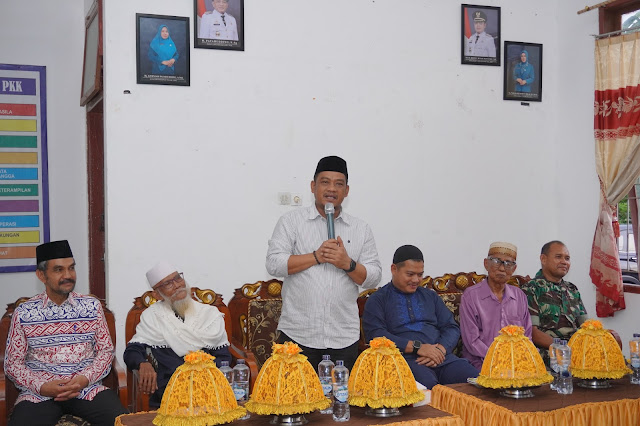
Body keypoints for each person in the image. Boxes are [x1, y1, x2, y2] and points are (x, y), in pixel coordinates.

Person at [266, 155, 382, 371]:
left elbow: (374, 277)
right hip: (298, 335)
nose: (331, 189)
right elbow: (274, 263)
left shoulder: (361, 229)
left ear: (346, 191)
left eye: (339, 184)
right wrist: (317, 256)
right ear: (313, 186)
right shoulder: (292, 222)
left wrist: (347, 264)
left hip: (343, 337)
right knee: (296, 393)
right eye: (325, 182)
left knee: (341, 393)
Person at [4, 240, 127, 426]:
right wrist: (42, 386)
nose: (68, 275)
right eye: (58, 270)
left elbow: (105, 352)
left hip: (86, 389)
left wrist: (84, 379)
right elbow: (13, 363)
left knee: (123, 422)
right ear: (41, 275)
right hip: (40, 395)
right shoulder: (24, 313)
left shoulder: (91, 307)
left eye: (71, 268)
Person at [362, 245, 479, 388]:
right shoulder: (378, 300)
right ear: (394, 269)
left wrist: (439, 350)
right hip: (405, 360)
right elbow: (376, 335)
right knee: (427, 387)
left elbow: (451, 327)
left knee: (475, 380)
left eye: (420, 275)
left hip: (442, 358)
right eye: (410, 274)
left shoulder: (430, 296)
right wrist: (418, 348)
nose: (416, 280)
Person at [123, 261, 231, 408]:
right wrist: (142, 363)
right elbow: (132, 351)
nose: (177, 285)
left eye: (178, 278)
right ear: (157, 295)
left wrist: (203, 377)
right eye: (168, 283)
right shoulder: (152, 316)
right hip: (170, 390)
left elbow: (224, 357)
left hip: (207, 387)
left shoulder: (209, 315)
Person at [459, 242, 532, 370]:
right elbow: (472, 341)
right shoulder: (470, 296)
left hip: (515, 363)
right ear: (486, 264)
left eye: (508, 264)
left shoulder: (519, 296)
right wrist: (499, 358)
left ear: (514, 269)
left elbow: (527, 336)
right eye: (497, 261)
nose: (502, 268)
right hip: (481, 362)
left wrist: (519, 358)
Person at [520, 241, 588, 355]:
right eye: (558, 257)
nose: (564, 262)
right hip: (549, 354)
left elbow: (586, 326)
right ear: (543, 259)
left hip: (576, 351)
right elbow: (532, 332)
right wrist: (566, 349)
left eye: (567, 258)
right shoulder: (531, 289)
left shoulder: (572, 289)